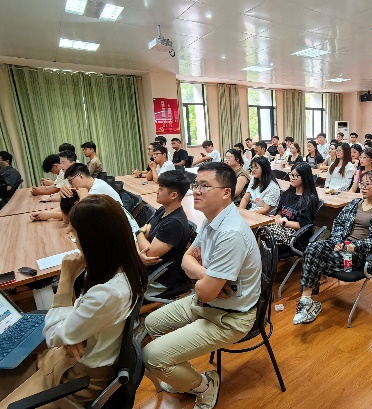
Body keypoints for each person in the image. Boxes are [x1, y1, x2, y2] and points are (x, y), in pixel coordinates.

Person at [0, 195, 147, 409]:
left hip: (78, 378)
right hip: (69, 359)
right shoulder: (121, 268)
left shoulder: (108, 292)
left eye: (74, 233)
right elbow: (74, 321)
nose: (72, 237)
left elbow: (53, 336)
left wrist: (66, 279)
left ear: (93, 239)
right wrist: (73, 334)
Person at [143, 163, 261, 407]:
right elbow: (186, 259)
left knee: (151, 357)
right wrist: (205, 274)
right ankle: (186, 378)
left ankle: (205, 386)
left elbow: (205, 292)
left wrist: (200, 277)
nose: (196, 190)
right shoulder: (212, 219)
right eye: (196, 185)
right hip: (207, 303)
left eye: (205, 186)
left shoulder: (230, 233)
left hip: (230, 317)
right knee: (151, 323)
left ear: (226, 193)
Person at [293, 170, 372, 324]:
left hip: (361, 255)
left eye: (368, 184)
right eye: (362, 184)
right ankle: (307, 301)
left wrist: (357, 245)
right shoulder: (354, 204)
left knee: (315, 258)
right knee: (313, 248)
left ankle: (309, 304)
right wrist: (337, 241)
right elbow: (338, 223)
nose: (363, 187)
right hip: (342, 247)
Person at [137, 171, 191, 296]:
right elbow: (145, 234)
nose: (156, 191)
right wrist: (140, 249)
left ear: (173, 195)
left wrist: (138, 233)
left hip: (156, 279)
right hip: (142, 266)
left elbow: (149, 254)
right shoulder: (163, 210)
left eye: (161, 189)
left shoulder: (174, 223)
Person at [267, 163, 319, 248]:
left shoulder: (309, 199)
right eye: (291, 174)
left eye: (296, 175)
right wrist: (276, 217)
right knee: (261, 228)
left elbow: (304, 225)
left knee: (266, 233)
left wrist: (283, 222)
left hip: (297, 235)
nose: (292, 178)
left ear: (305, 177)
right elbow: (280, 212)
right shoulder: (287, 193)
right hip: (282, 227)